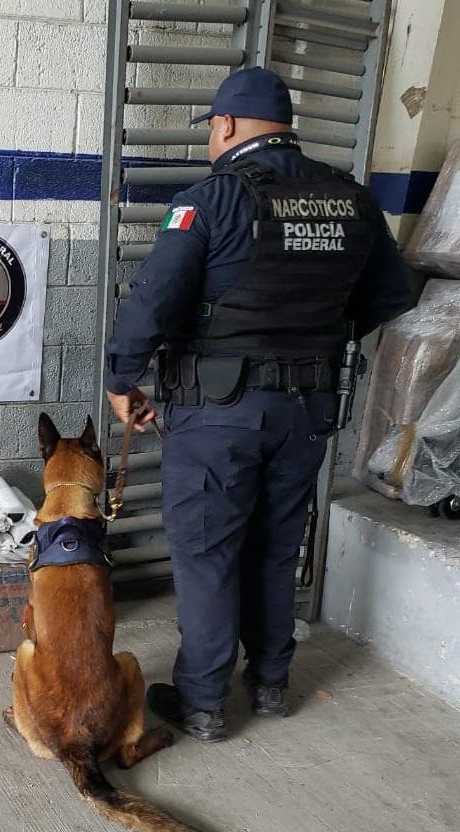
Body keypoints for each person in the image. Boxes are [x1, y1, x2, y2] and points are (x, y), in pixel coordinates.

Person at [104, 67, 418, 743]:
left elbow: (153, 303)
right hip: (305, 412)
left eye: (214, 129)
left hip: (219, 411)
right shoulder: (352, 200)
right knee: (277, 547)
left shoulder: (210, 201)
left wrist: (121, 378)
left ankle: (202, 701)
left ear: (225, 126)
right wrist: (317, 333)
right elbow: (392, 296)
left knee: (209, 552)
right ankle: (272, 684)